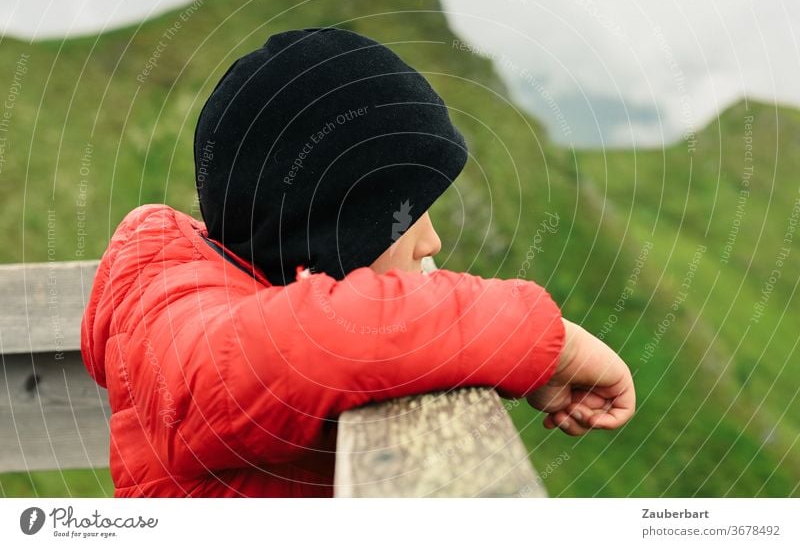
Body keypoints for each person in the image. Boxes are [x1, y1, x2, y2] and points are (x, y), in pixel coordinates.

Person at [81, 28, 634, 497]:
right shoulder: (185, 337)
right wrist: (554, 344)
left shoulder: (231, 293)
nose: (432, 241)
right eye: (406, 213)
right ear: (331, 231)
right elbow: (331, 333)